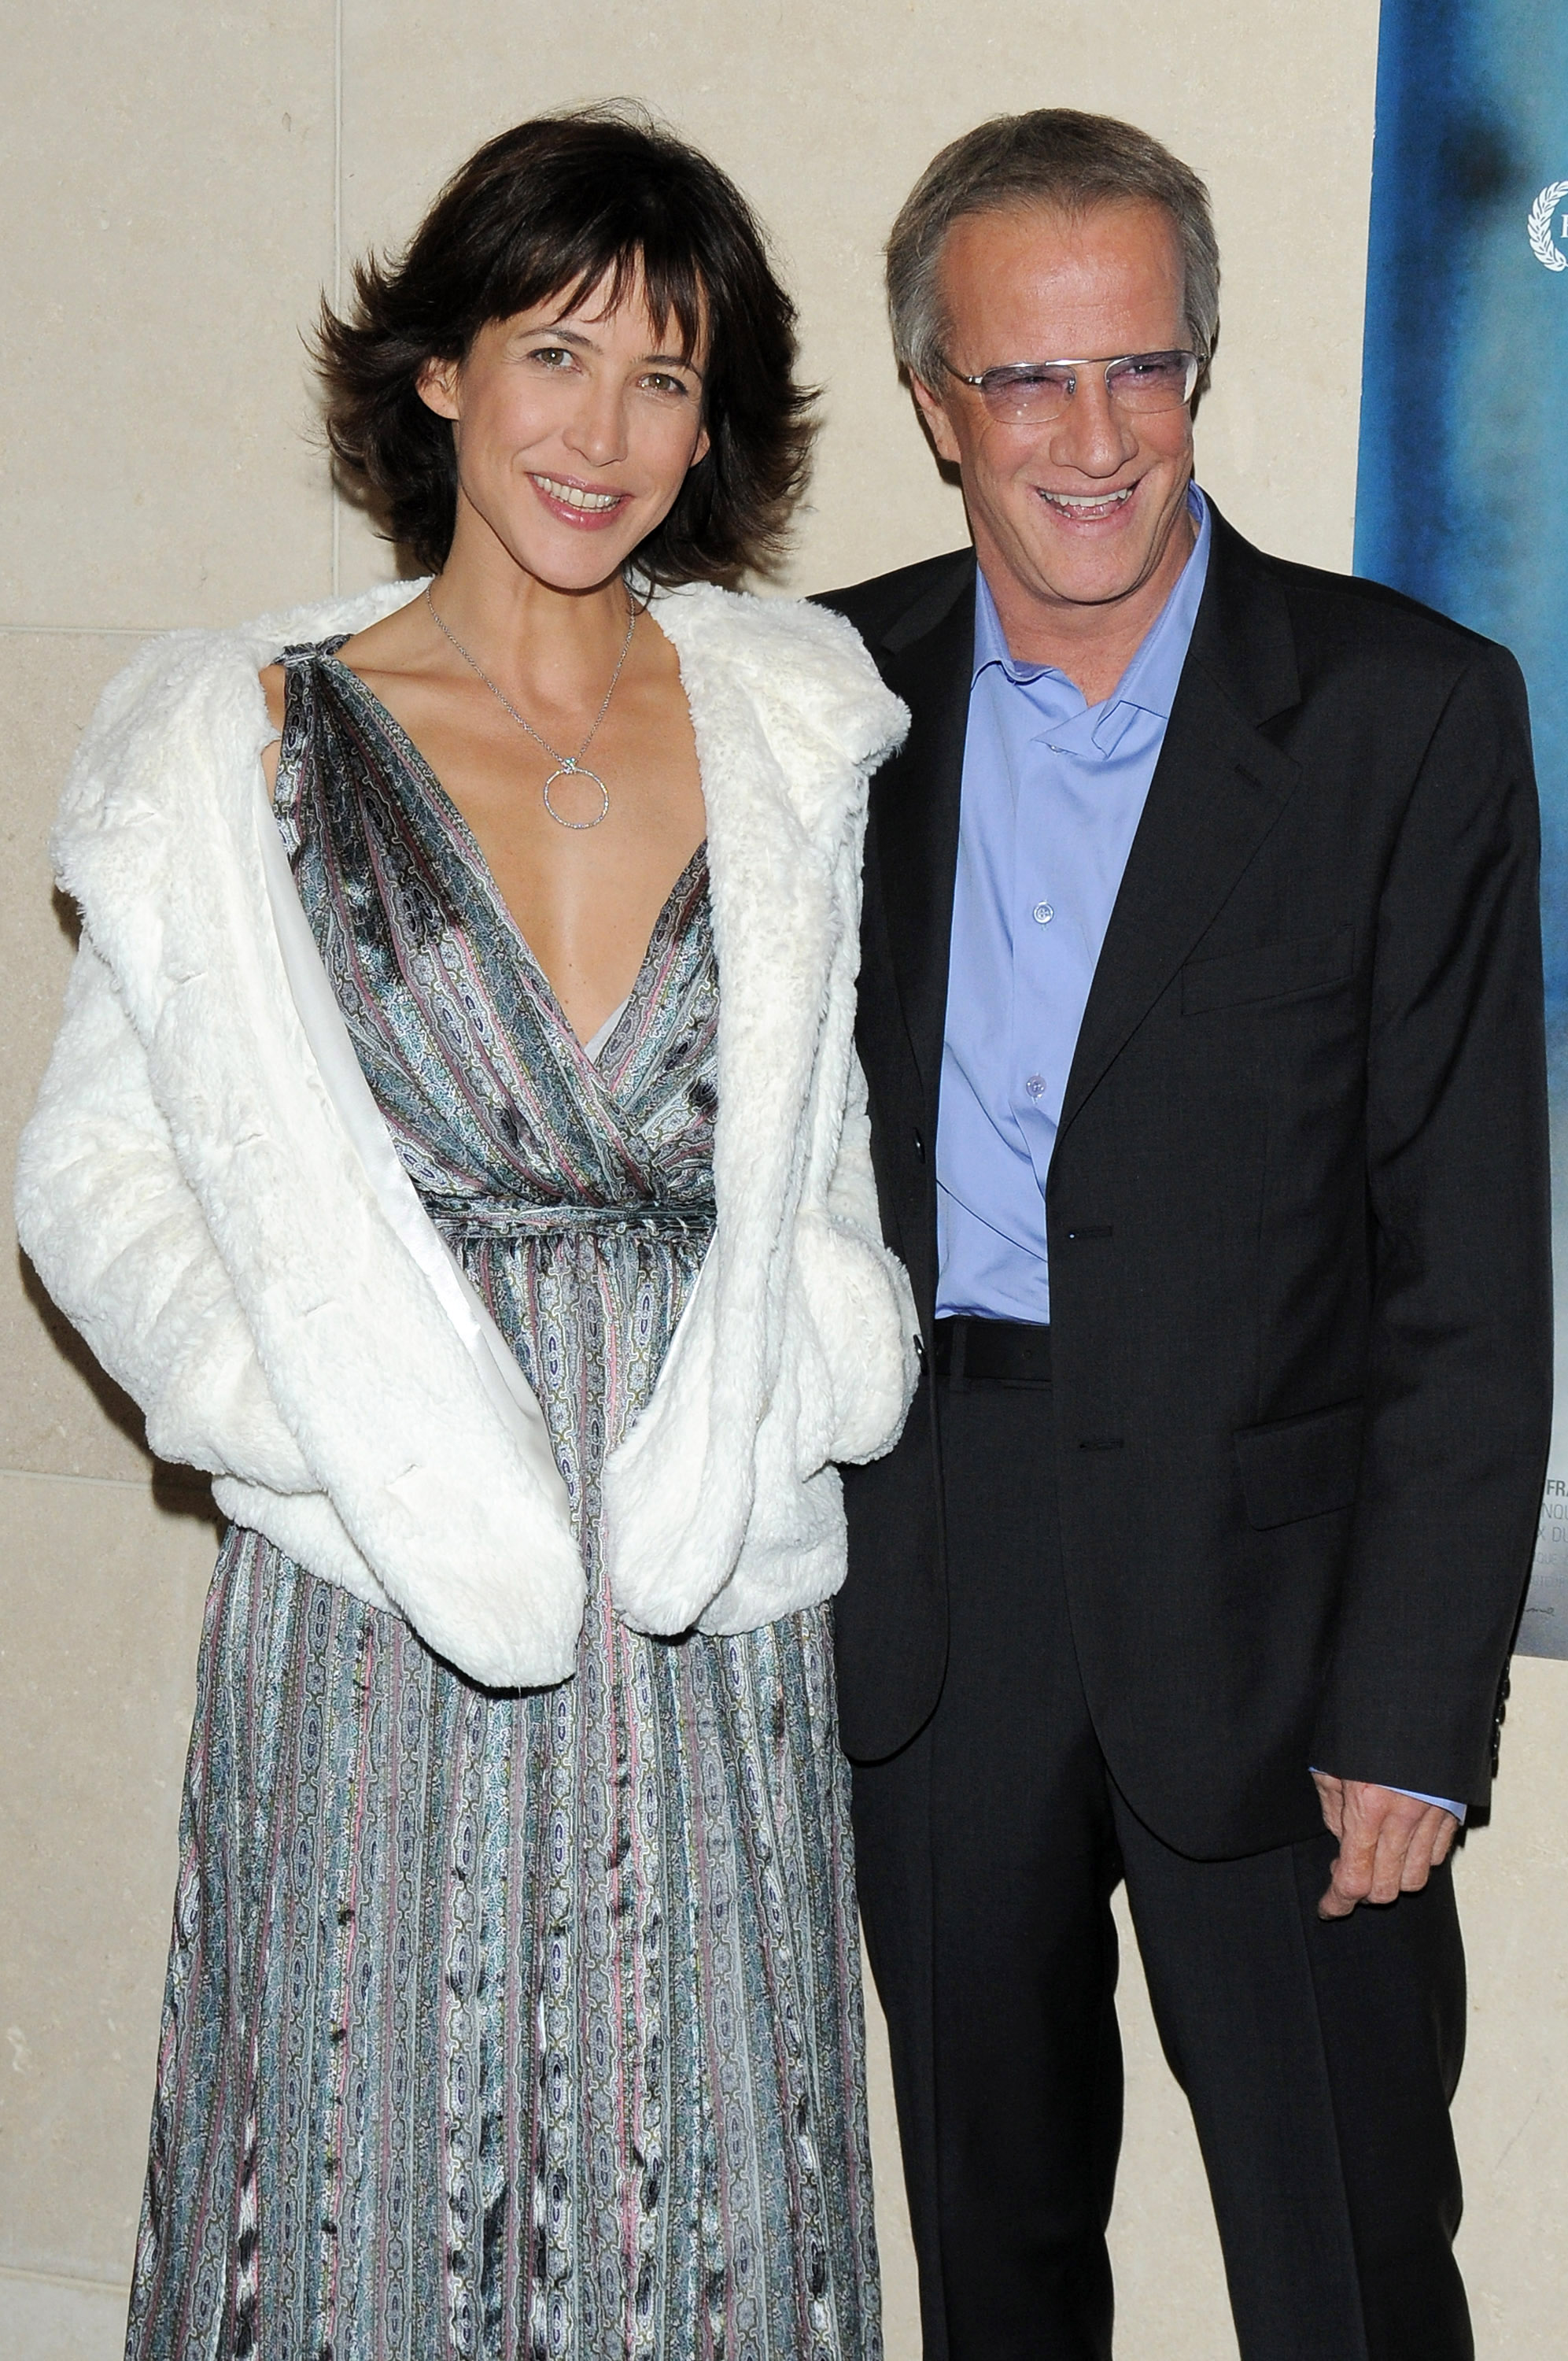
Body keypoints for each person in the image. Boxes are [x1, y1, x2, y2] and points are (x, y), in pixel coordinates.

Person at [16, 107, 918, 2361]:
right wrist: (299, 1427)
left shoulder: (788, 731)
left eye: (664, 377)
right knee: (351, 2149)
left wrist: (802, 1366)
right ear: (439, 373)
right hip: (378, 1583)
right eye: (554, 352)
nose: (602, 431)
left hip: (705, 1584)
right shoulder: (245, 755)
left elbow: (816, 1158)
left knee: (710, 2153)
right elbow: (98, 1180)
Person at [819, 108, 1550, 2361]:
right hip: (933, 1594)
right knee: (995, 2268)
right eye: (1025, 380)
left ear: (1199, 373)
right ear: (937, 402)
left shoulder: (1405, 712)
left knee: (1342, 2274)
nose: (1092, 438)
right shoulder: (816, 710)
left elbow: (1466, 1256)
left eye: (1139, 368)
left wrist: (1413, 1708)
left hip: (1286, 1618)